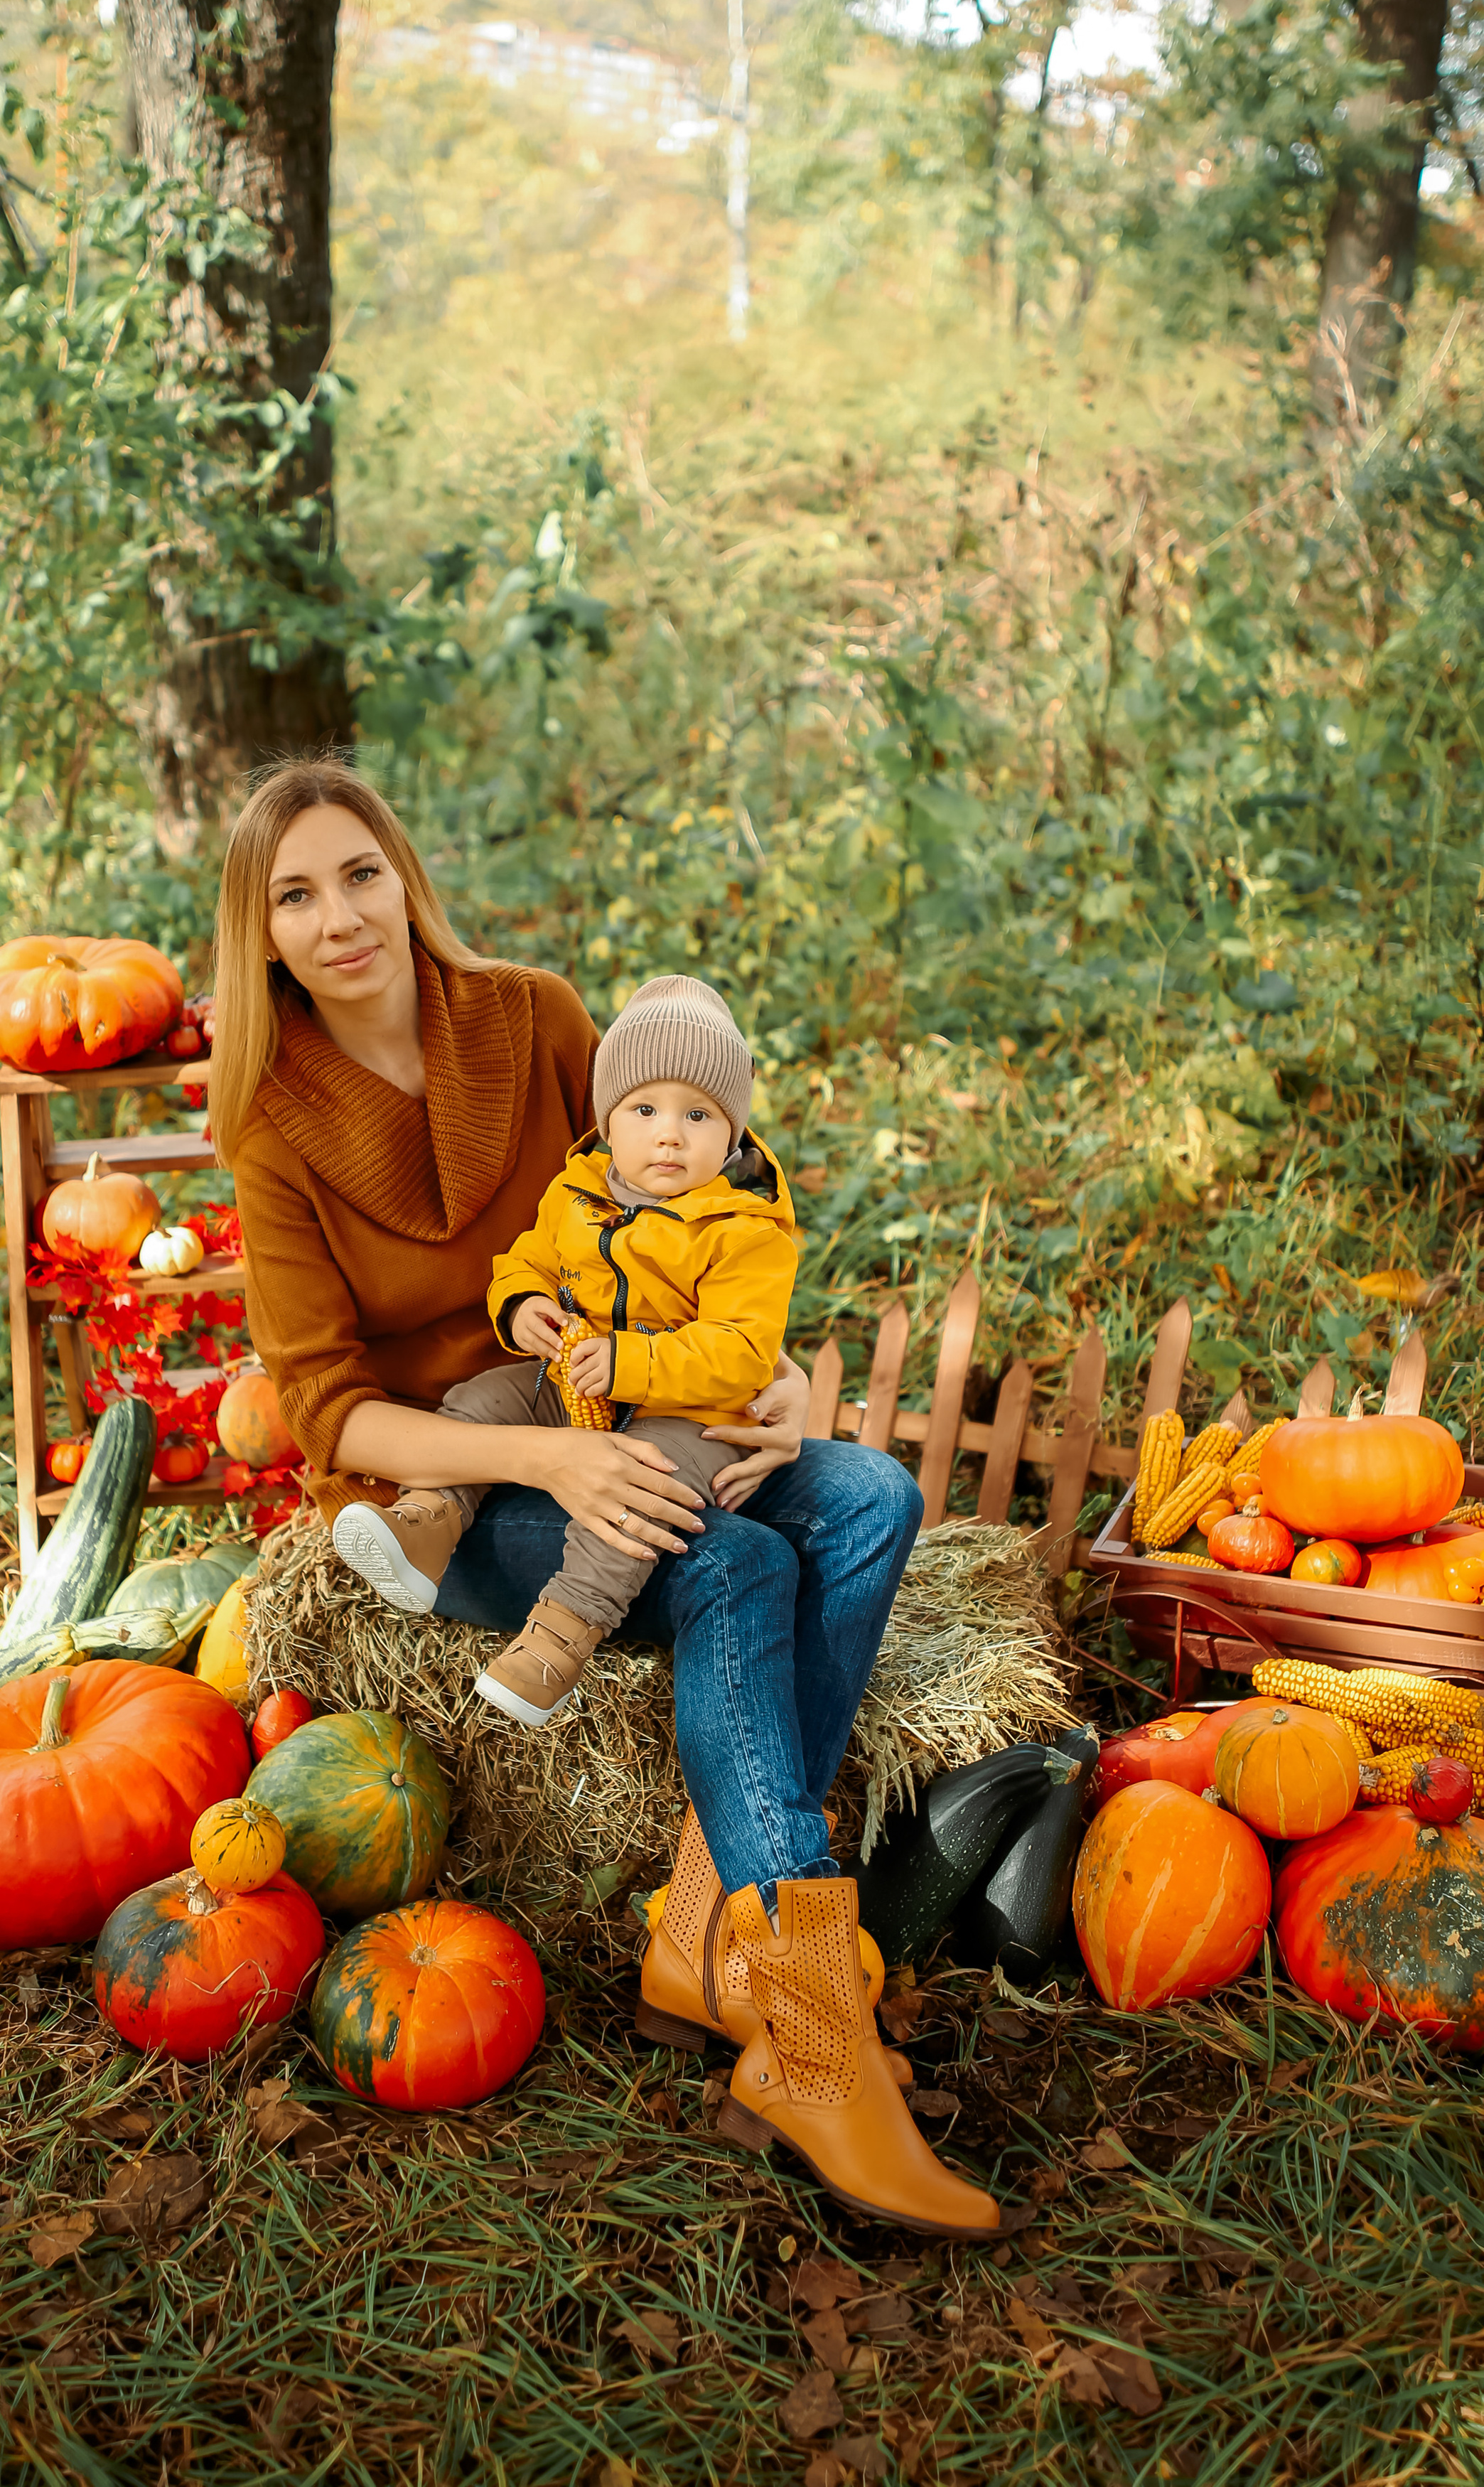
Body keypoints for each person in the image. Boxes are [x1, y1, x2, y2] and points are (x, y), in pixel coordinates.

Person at [210, 756, 1002, 2238]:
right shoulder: (267, 1119)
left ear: (404, 875)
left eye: (358, 874)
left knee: (869, 1501)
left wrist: (770, 1393)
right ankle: (814, 2045)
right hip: (446, 1483)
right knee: (730, 1573)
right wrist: (551, 1456)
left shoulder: (537, 1019)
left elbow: (695, 1188)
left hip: (647, 1412)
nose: (339, 918)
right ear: (260, 935)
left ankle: (708, 1932)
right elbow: (326, 1411)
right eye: (294, 895)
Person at [330, 974, 800, 1731]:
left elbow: (742, 1353)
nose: (669, 1133)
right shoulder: (575, 1192)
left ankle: (560, 1638)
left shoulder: (746, 1230)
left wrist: (632, 1363)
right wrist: (523, 1308)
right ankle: (427, 1522)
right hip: (572, 1381)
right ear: (610, 1121)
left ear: (735, 1133)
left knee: (636, 1495)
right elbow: (526, 1262)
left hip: (683, 1414)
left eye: (699, 1113)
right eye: (644, 1109)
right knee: (484, 1400)